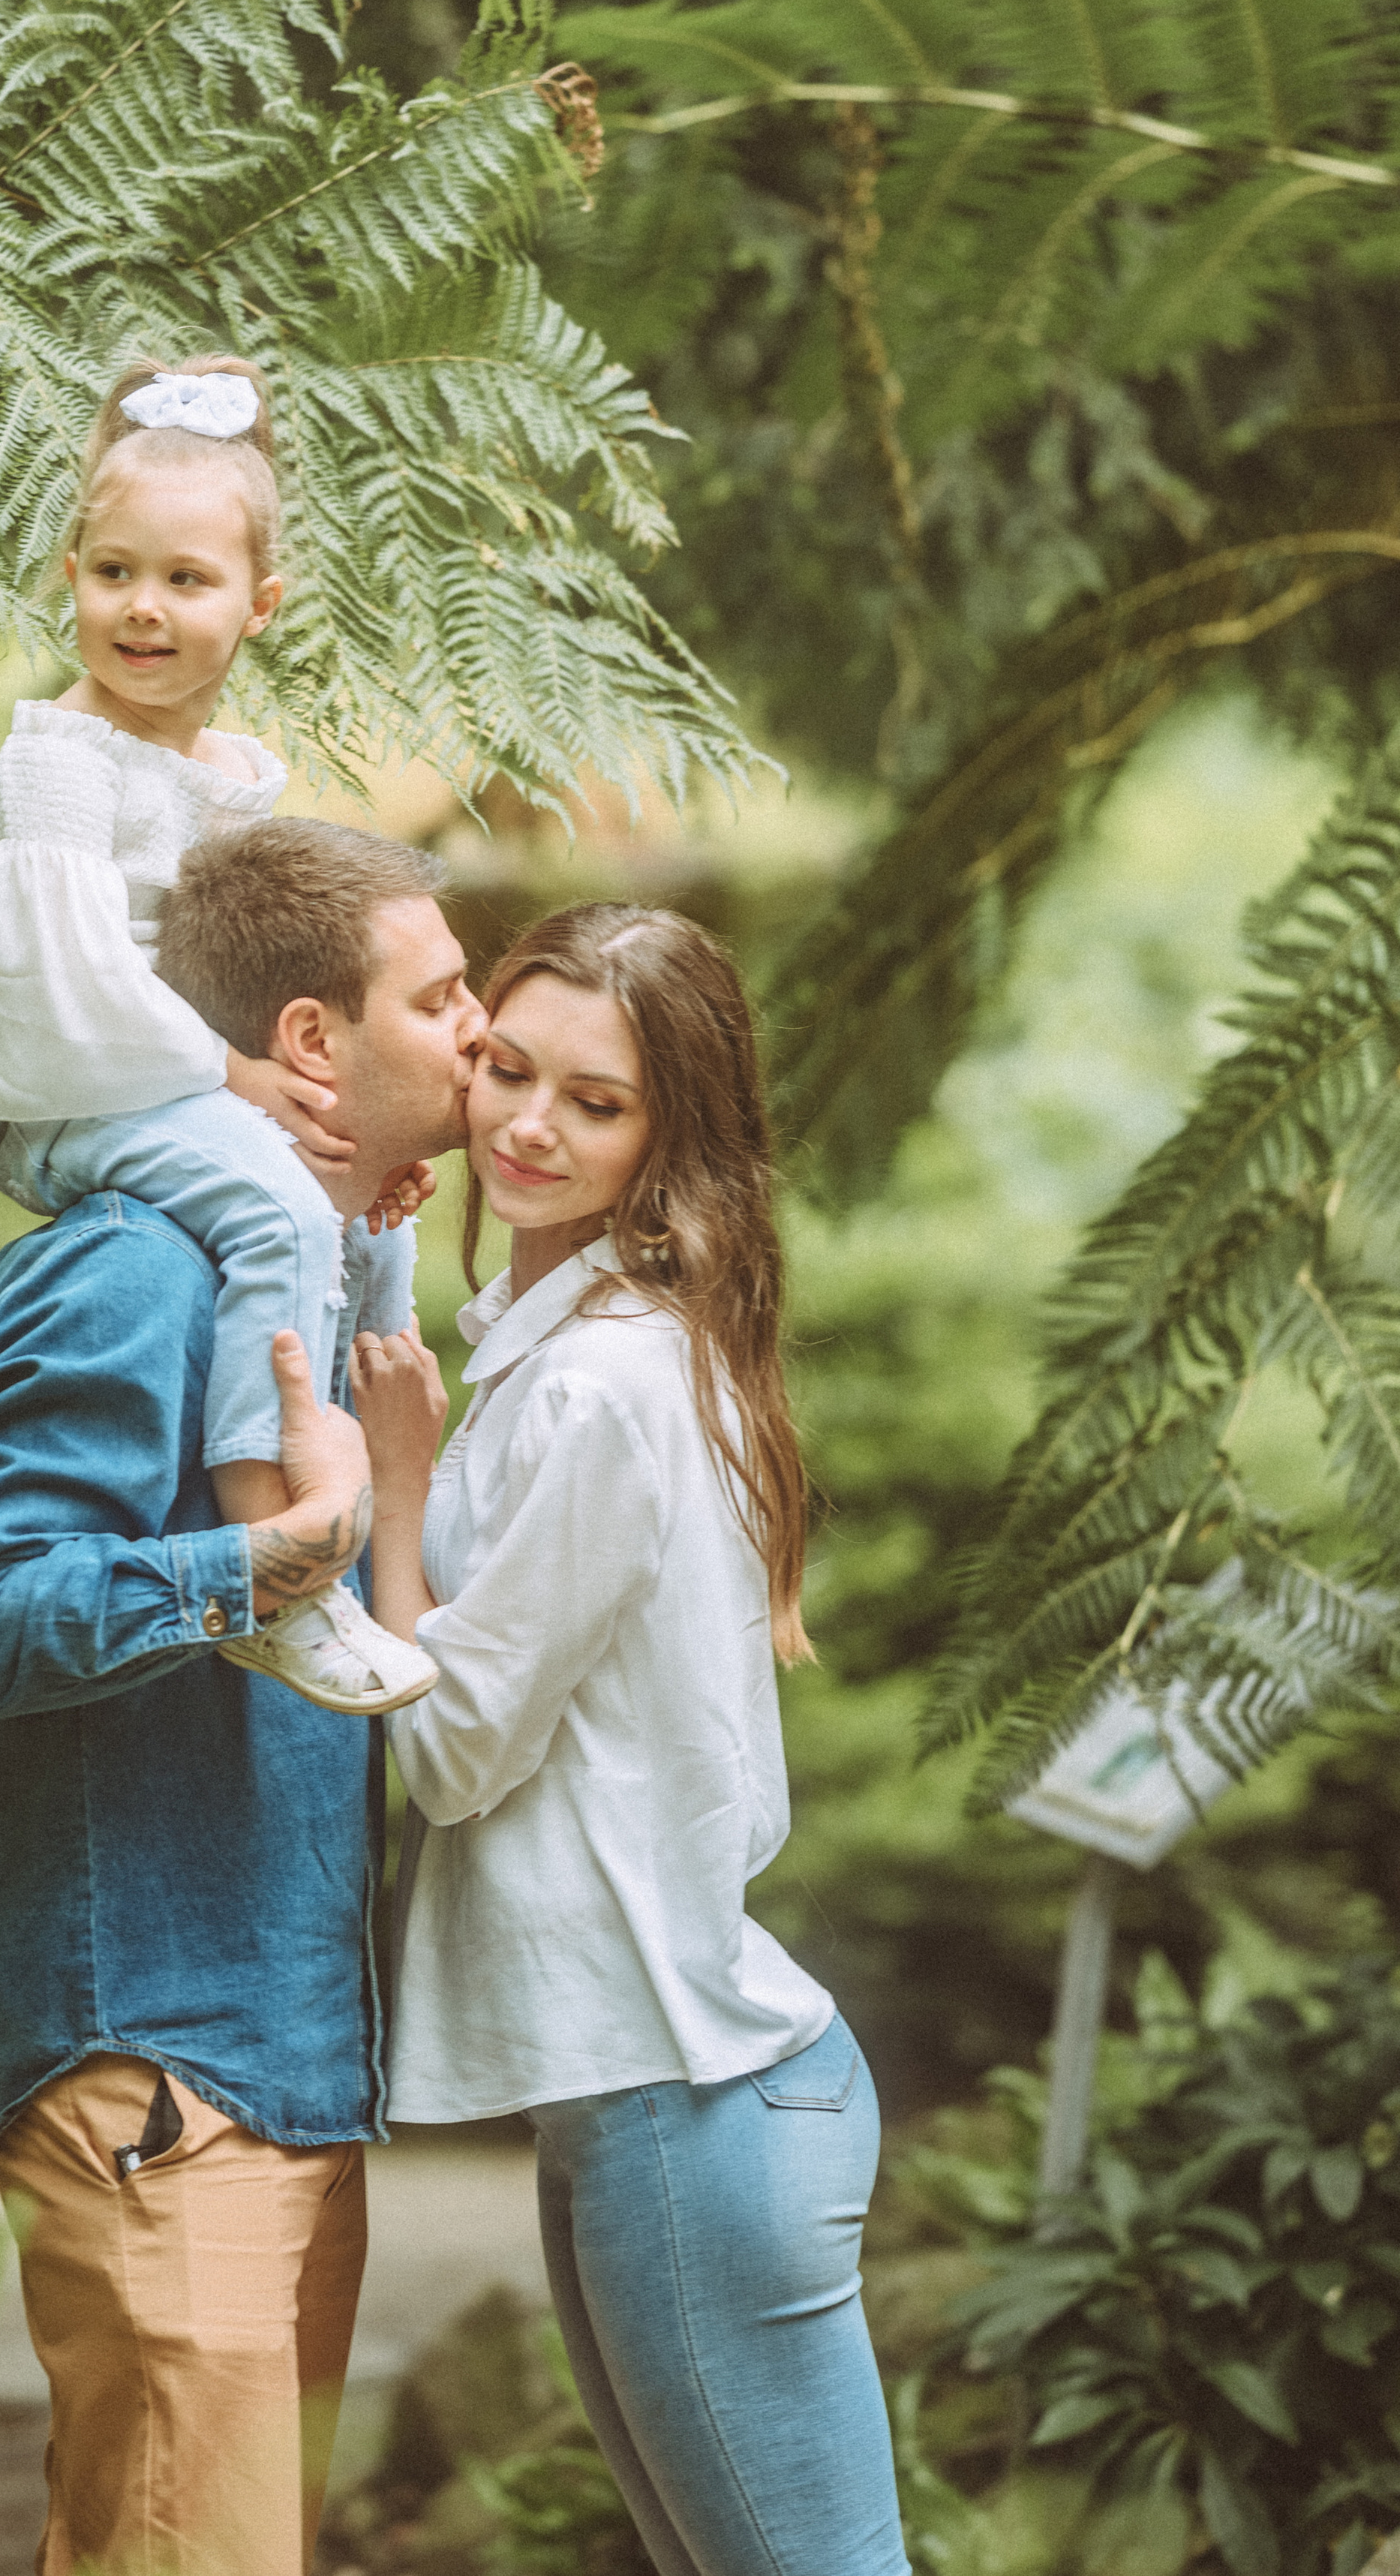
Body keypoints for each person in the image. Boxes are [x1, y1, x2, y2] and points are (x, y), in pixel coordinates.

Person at [0, 816, 485, 2576]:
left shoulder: (299, 1270)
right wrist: (270, 1566)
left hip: (285, 2075)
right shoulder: (128, 1267)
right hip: (159, 2063)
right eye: (447, 993)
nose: (477, 1031)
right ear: (313, 1039)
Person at [351, 904, 910, 2576]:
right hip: (648, 2101)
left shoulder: (604, 1386)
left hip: (694, 2101)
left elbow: (448, 1754)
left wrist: (389, 1495)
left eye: (593, 1103)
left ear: (673, 1130)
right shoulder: (564, 1350)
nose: (526, 1125)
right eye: (506, 1071)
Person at [0, 350, 432, 1715]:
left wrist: (355, 1126)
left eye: (186, 580)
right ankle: (276, 1555)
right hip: (82, 1094)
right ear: (71, 574)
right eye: (114, 574)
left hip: (197, 1085)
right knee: (283, 1208)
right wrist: (244, 1084)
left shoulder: (237, 775)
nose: (143, 610)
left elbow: (251, 967)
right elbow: (61, 979)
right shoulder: (57, 761)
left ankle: (382, 1480)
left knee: (369, 1220)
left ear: (259, 604)